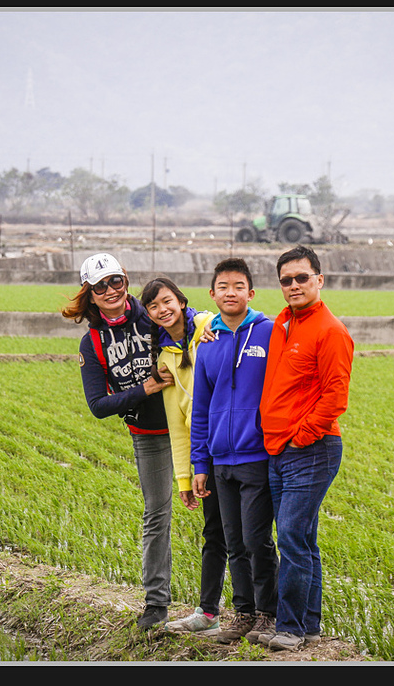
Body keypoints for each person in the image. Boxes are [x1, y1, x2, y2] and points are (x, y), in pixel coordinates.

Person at [61, 252, 175, 631]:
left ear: (125, 280)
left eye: (115, 281)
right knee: (156, 515)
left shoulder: (152, 314)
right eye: (100, 286)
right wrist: (144, 389)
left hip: (192, 427)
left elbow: (190, 326)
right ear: (90, 294)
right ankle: (156, 605)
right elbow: (98, 405)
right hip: (150, 436)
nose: (110, 290)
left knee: (223, 516)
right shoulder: (91, 343)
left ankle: (231, 606)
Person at [257, 245, 354, 651]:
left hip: (311, 450)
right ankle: (309, 627)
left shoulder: (330, 331)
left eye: (301, 278)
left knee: (292, 537)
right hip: (279, 450)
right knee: (303, 539)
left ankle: (291, 629)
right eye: (286, 280)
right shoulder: (282, 322)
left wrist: (302, 434)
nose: (293, 285)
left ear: (320, 279)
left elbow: (336, 397)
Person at [190, 258, 280, 645]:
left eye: (238, 286)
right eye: (223, 286)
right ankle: (242, 614)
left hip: (257, 456)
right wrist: (200, 462)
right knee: (234, 542)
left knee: (258, 541)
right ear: (212, 295)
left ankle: (268, 615)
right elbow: (200, 407)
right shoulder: (207, 343)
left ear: (251, 293)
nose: (231, 292)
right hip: (220, 459)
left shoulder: (269, 332)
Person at [138, 277, 226, 636]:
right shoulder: (165, 357)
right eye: (154, 306)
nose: (163, 310)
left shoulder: (208, 325)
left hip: (238, 442)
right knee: (215, 532)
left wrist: (215, 329)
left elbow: (234, 323)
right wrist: (186, 478)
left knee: (251, 536)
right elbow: (178, 424)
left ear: (182, 300)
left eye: (167, 301)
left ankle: (267, 613)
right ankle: (208, 613)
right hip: (206, 450)